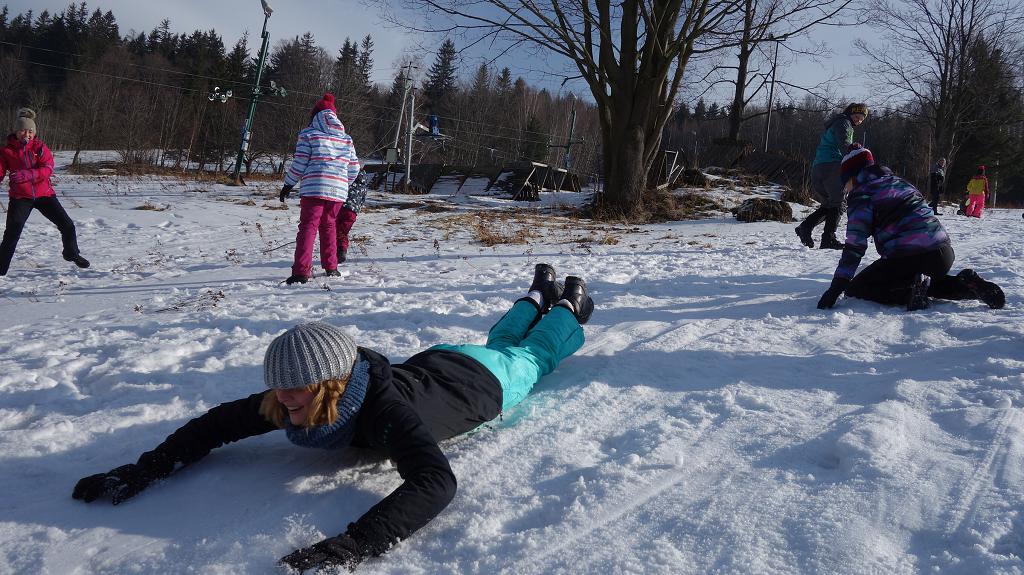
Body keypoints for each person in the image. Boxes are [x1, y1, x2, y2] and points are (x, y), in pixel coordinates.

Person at [72, 264, 595, 573]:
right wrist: (144, 469)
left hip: (485, 385)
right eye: (277, 386)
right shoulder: (297, 396)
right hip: (443, 359)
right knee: (498, 341)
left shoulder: (385, 412)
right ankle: (535, 295)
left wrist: (355, 544)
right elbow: (216, 424)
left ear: (330, 385)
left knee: (531, 356)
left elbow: (435, 481)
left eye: (293, 391)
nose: (280, 401)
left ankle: (566, 306)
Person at [817, 145, 1005, 312]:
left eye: (845, 184)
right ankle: (966, 284)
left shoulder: (862, 193)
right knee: (924, 280)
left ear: (853, 176)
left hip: (908, 256)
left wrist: (837, 287)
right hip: (943, 254)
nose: (845, 190)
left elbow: (855, 246)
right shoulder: (902, 183)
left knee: (857, 288)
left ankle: (911, 292)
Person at [279, 93, 360, 284]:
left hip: (314, 189)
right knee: (329, 225)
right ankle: (331, 268)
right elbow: (354, 168)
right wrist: (342, 182)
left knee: (308, 226)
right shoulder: (346, 139)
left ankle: (300, 272)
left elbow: (300, 163)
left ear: (315, 116)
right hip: (337, 193)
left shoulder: (309, 134)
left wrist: (288, 184)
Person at [0, 108, 90, 276]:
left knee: (67, 225)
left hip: (45, 195)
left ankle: (72, 254)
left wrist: (29, 174)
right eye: (22, 130)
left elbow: (48, 168)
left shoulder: (40, 147)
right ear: (16, 131)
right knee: (12, 232)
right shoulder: (6, 151)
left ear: (34, 133)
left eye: (30, 131)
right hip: (21, 198)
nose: (26, 134)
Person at [795, 103, 869, 250]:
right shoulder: (844, 123)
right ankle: (828, 239)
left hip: (819, 167)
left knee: (830, 205)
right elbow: (845, 144)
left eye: (861, 119)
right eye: (856, 116)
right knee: (838, 203)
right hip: (832, 166)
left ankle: (805, 227)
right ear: (849, 113)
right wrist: (857, 156)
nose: (858, 120)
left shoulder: (837, 122)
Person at [335, 170, 367, 264]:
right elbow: (362, 200)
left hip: (341, 208)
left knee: (335, 231)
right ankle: (342, 250)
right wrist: (357, 209)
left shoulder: (346, 182)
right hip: (352, 212)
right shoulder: (363, 187)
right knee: (343, 232)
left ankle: (339, 251)